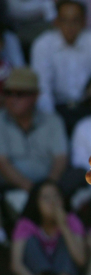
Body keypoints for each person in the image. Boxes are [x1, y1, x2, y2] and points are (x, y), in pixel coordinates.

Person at [30, 0, 91, 135]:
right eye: (64, 20)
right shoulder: (43, 44)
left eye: (75, 21)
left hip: (90, 108)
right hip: (57, 110)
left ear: (84, 22)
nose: (69, 26)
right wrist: (52, 123)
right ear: (56, 22)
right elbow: (43, 90)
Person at [10, 181, 85, 275]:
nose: (52, 202)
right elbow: (16, 265)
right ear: (36, 202)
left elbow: (80, 259)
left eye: (56, 196)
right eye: (45, 197)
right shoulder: (25, 224)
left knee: (67, 239)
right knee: (30, 241)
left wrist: (63, 226)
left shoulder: (71, 220)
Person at [0, 69, 69, 212]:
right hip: (10, 188)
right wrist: (34, 191)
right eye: (8, 93)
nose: (13, 99)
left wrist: (48, 189)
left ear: (35, 96)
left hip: (51, 185)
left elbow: (60, 159)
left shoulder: (52, 121)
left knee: (80, 175)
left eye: (20, 94)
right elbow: (3, 164)